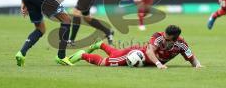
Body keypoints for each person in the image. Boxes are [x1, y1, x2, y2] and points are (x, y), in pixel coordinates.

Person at [68, 25, 202, 69]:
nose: (164, 39)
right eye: (164, 36)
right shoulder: (158, 36)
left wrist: (197, 65)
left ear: (174, 39)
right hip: (137, 54)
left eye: (167, 39)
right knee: (105, 62)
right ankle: (82, 55)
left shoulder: (181, 44)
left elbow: (191, 58)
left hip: (141, 57)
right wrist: (158, 64)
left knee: (116, 53)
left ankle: (100, 44)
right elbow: (149, 51)